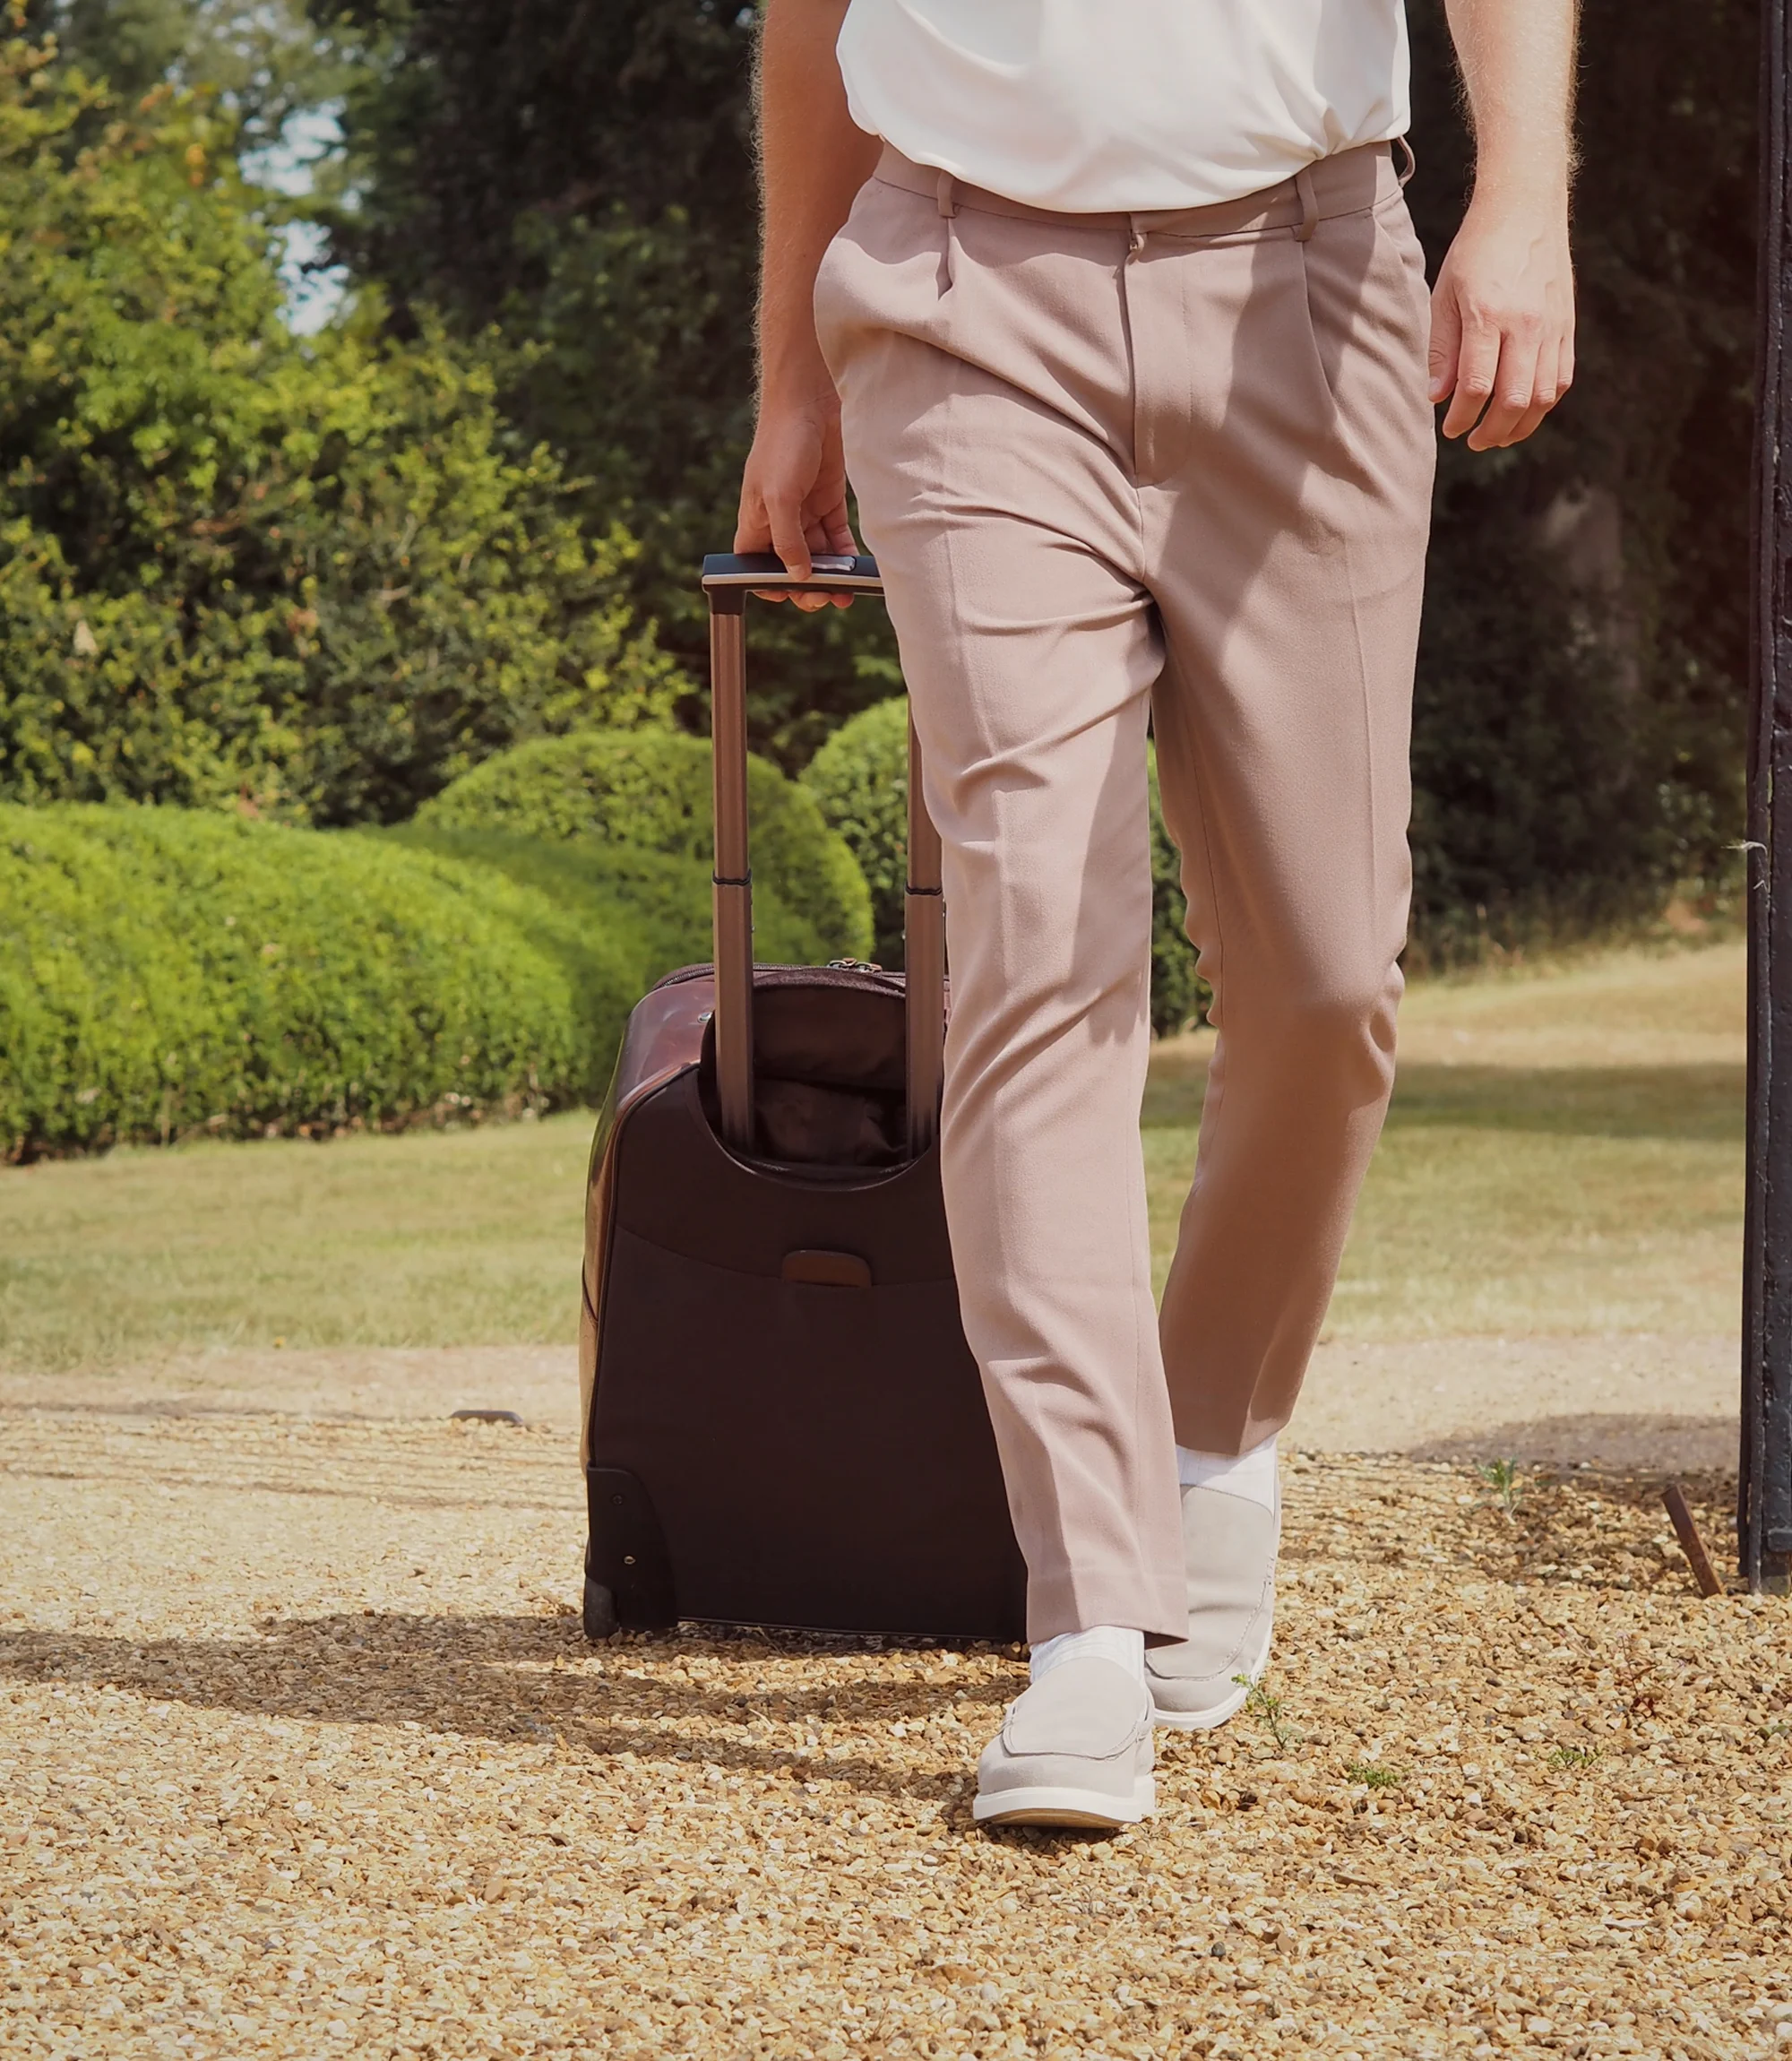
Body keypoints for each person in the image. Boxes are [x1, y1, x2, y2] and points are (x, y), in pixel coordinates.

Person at [737, 0, 1576, 1829]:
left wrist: (1521, 196)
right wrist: (790, 371)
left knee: (1330, 971)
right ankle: (1090, 1620)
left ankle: (1210, 1433)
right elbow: (814, 24)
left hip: (1310, 274)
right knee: (1033, 942)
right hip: (957, 302)